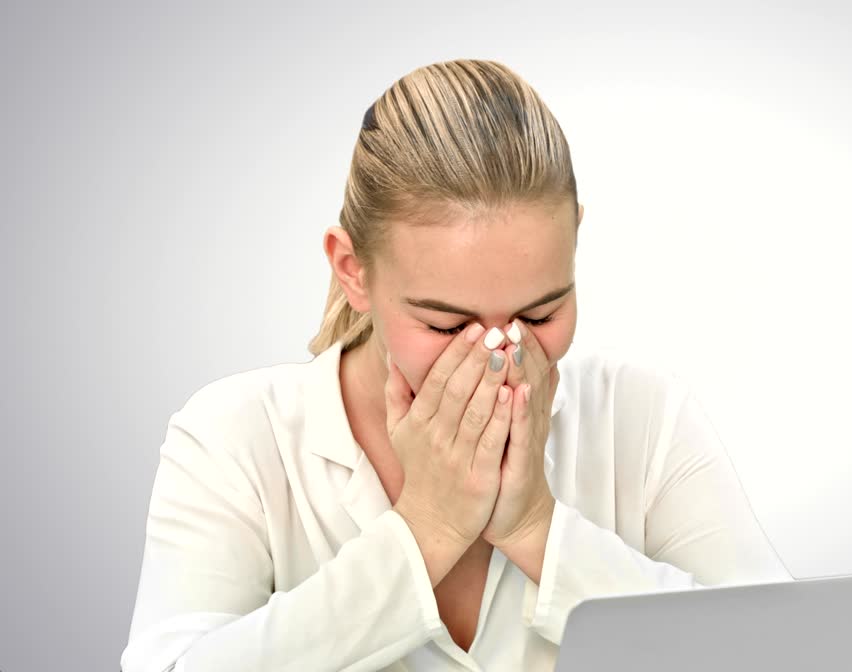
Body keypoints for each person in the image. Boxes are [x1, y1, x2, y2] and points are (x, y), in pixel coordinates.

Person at [120, 59, 792, 672]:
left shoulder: (645, 420)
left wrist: (536, 528)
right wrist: (425, 531)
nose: (501, 353)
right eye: (445, 325)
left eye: (541, 313)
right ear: (353, 270)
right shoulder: (236, 438)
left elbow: (790, 657)